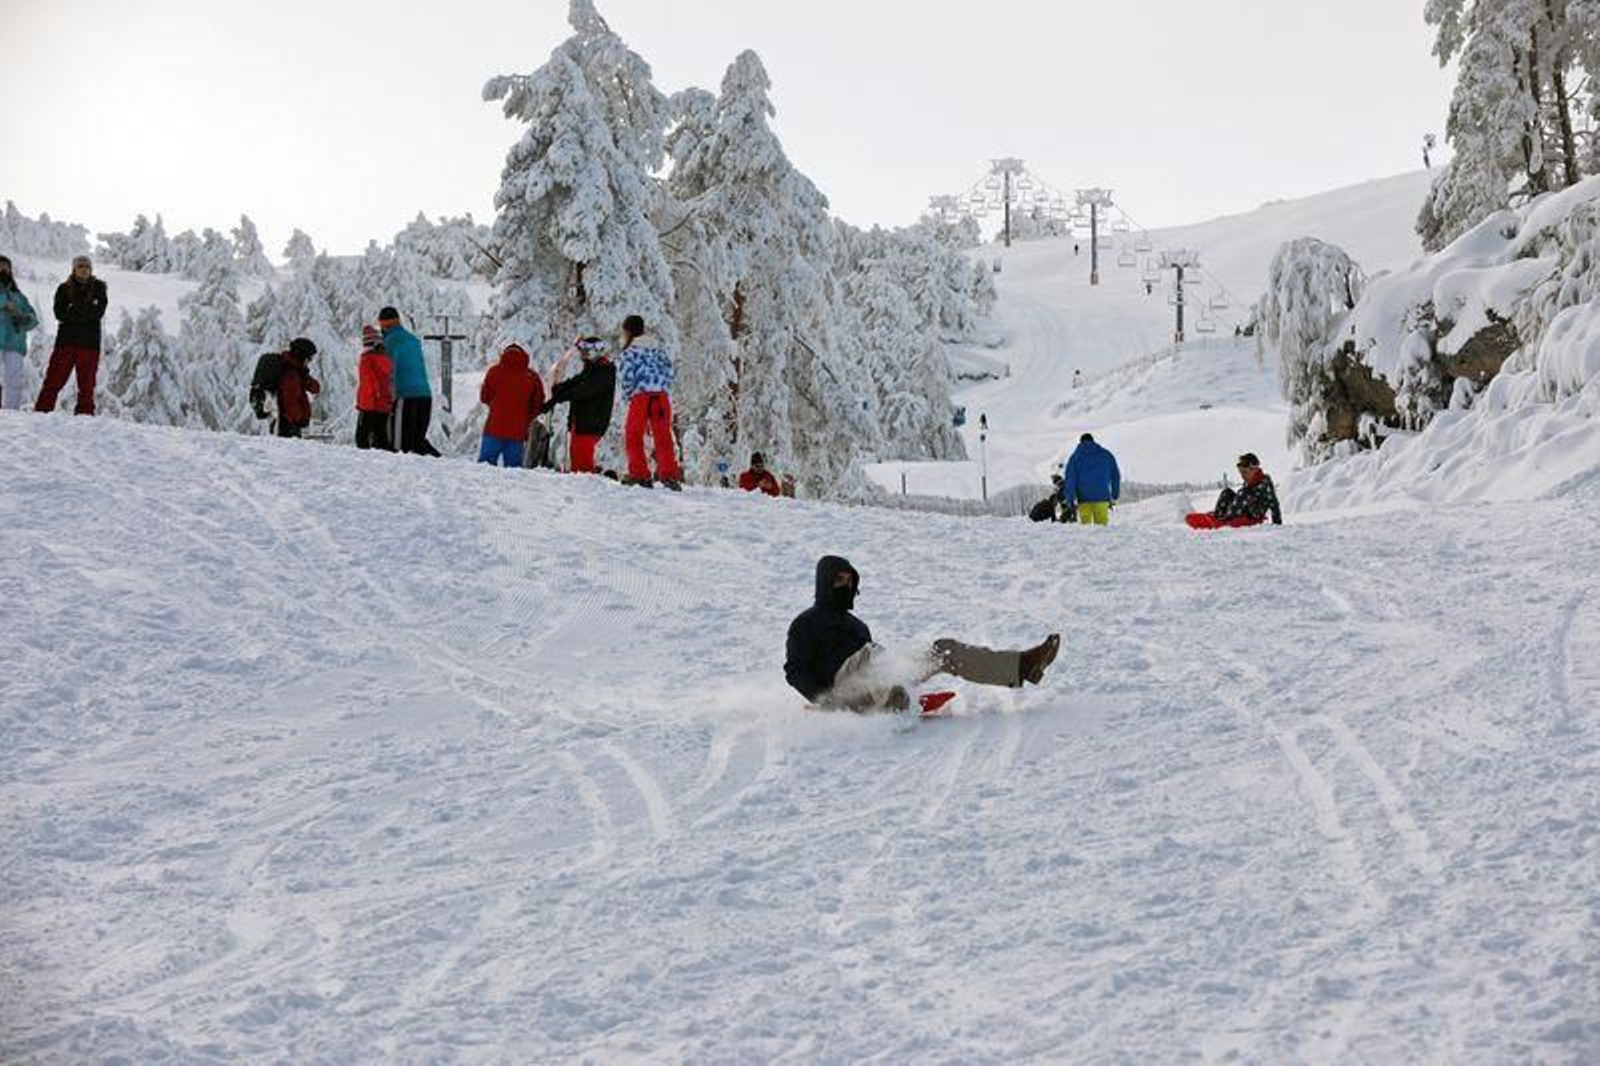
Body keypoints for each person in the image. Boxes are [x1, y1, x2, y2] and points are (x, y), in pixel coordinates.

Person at [785, 556, 1061, 712]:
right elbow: (795, 670)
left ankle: (1021, 666)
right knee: (872, 657)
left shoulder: (858, 625)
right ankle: (893, 697)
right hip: (844, 688)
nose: (844, 585)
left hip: (875, 676)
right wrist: (824, 701)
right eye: (838, 580)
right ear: (824, 582)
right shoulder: (806, 623)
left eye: (849, 580)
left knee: (944, 650)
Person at [34, 254, 107, 415]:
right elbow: (60, 313)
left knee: (87, 384)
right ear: (74, 269)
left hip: (89, 343)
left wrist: (74, 309)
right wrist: (85, 311)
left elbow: (98, 312)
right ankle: (41, 412)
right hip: (66, 342)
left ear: (91, 269)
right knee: (53, 380)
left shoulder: (99, 288)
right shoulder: (63, 288)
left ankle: (85, 416)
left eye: (87, 266)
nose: (84, 269)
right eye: (80, 266)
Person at [616, 314, 682, 489]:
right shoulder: (658, 350)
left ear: (628, 331)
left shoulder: (629, 353)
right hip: (661, 397)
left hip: (641, 396)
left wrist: (629, 395)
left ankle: (639, 474)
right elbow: (670, 372)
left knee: (633, 434)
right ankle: (669, 476)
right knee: (663, 436)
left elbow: (626, 378)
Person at [542, 335, 616, 473]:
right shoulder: (593, 368)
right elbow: (578, 381)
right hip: (582, 422)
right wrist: (560, 387)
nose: (582, 355)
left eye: (585, 352)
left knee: (582, 465)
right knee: (577, 459)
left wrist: (557, 398)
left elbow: (584, 390)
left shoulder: (604, 370)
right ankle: (580, 487)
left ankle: (585, 489)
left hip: (590, 424)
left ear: (594, 351)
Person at [380, 306, 439, 456]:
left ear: (384, 325)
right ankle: (442, 466)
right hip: (425, 395)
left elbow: (388, 371)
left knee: (399, 447)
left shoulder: (389, 342)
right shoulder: (413, 339)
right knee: (417, 442)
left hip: (405, 396)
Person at [478, 343, 544, 467]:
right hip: (518, 430)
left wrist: (497, 406)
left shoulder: (494, 371)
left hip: (494, 427)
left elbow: (484, 397)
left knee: (485, 468)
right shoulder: (532, 376)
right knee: (513, 472)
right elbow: (538, 404)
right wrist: (526, 417)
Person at [1186, 453, 1283, 529]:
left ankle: (1225, 520)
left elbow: (1274, 504)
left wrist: (1277, 524)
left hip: (1254, 515)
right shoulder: (1249, 481)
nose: (1242, 476)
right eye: (1241, 473)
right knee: (1227, 492)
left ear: (1254, 469)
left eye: (1245, 472)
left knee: (1244, 493)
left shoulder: (1264, 483)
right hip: (1243, 510)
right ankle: (1218, 516)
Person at [250, 337, 320, 438]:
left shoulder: (296, 370)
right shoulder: (290, 374)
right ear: (301, 355)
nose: (309, 361)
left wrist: (304, 374)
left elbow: (315, 388)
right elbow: (289, 400)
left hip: (286, 423)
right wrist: (299, 419)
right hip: (286, 426)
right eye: (309, 358)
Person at [0, 255, 39, 411]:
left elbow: (33, 319)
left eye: (6, 266)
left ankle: (11, 414)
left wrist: (23, 318)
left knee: (14, 381)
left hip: (15, 342)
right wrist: (3, 303)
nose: (3, 269)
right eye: (0, 266)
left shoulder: (19, 297)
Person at [1061, 432, 1120, 525]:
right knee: (1102, 530)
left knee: (1086, 531)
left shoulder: (1075, 458)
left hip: (1083, 500)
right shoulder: (1107, 455)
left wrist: (1070, 500)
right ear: (1093, 441)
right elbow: (1115, 476)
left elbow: (1070, 480)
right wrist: (1115, 494)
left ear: (1080, 443)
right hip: (1102, 498)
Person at [355, 325, 394, 450]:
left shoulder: (367, 359)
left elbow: (368, 382)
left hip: (369, 404)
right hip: (384, 403)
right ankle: (388, 462)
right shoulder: (386, 359)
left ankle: (366, 464)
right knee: (381, 436)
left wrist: (365, 403)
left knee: (362, 437)